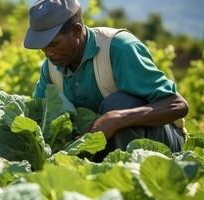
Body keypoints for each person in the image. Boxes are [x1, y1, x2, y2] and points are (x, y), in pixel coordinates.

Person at [24, 0, 188, 162]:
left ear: (76, 30)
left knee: (119, 103)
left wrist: (115, 119)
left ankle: (125, 182)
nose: (48, 53)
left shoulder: (119, 48)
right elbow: (38, 115)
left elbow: (178, 106)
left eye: (53, 44)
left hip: (160, 146)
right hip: (103, 152)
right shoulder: (52, 66)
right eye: (43, 46)